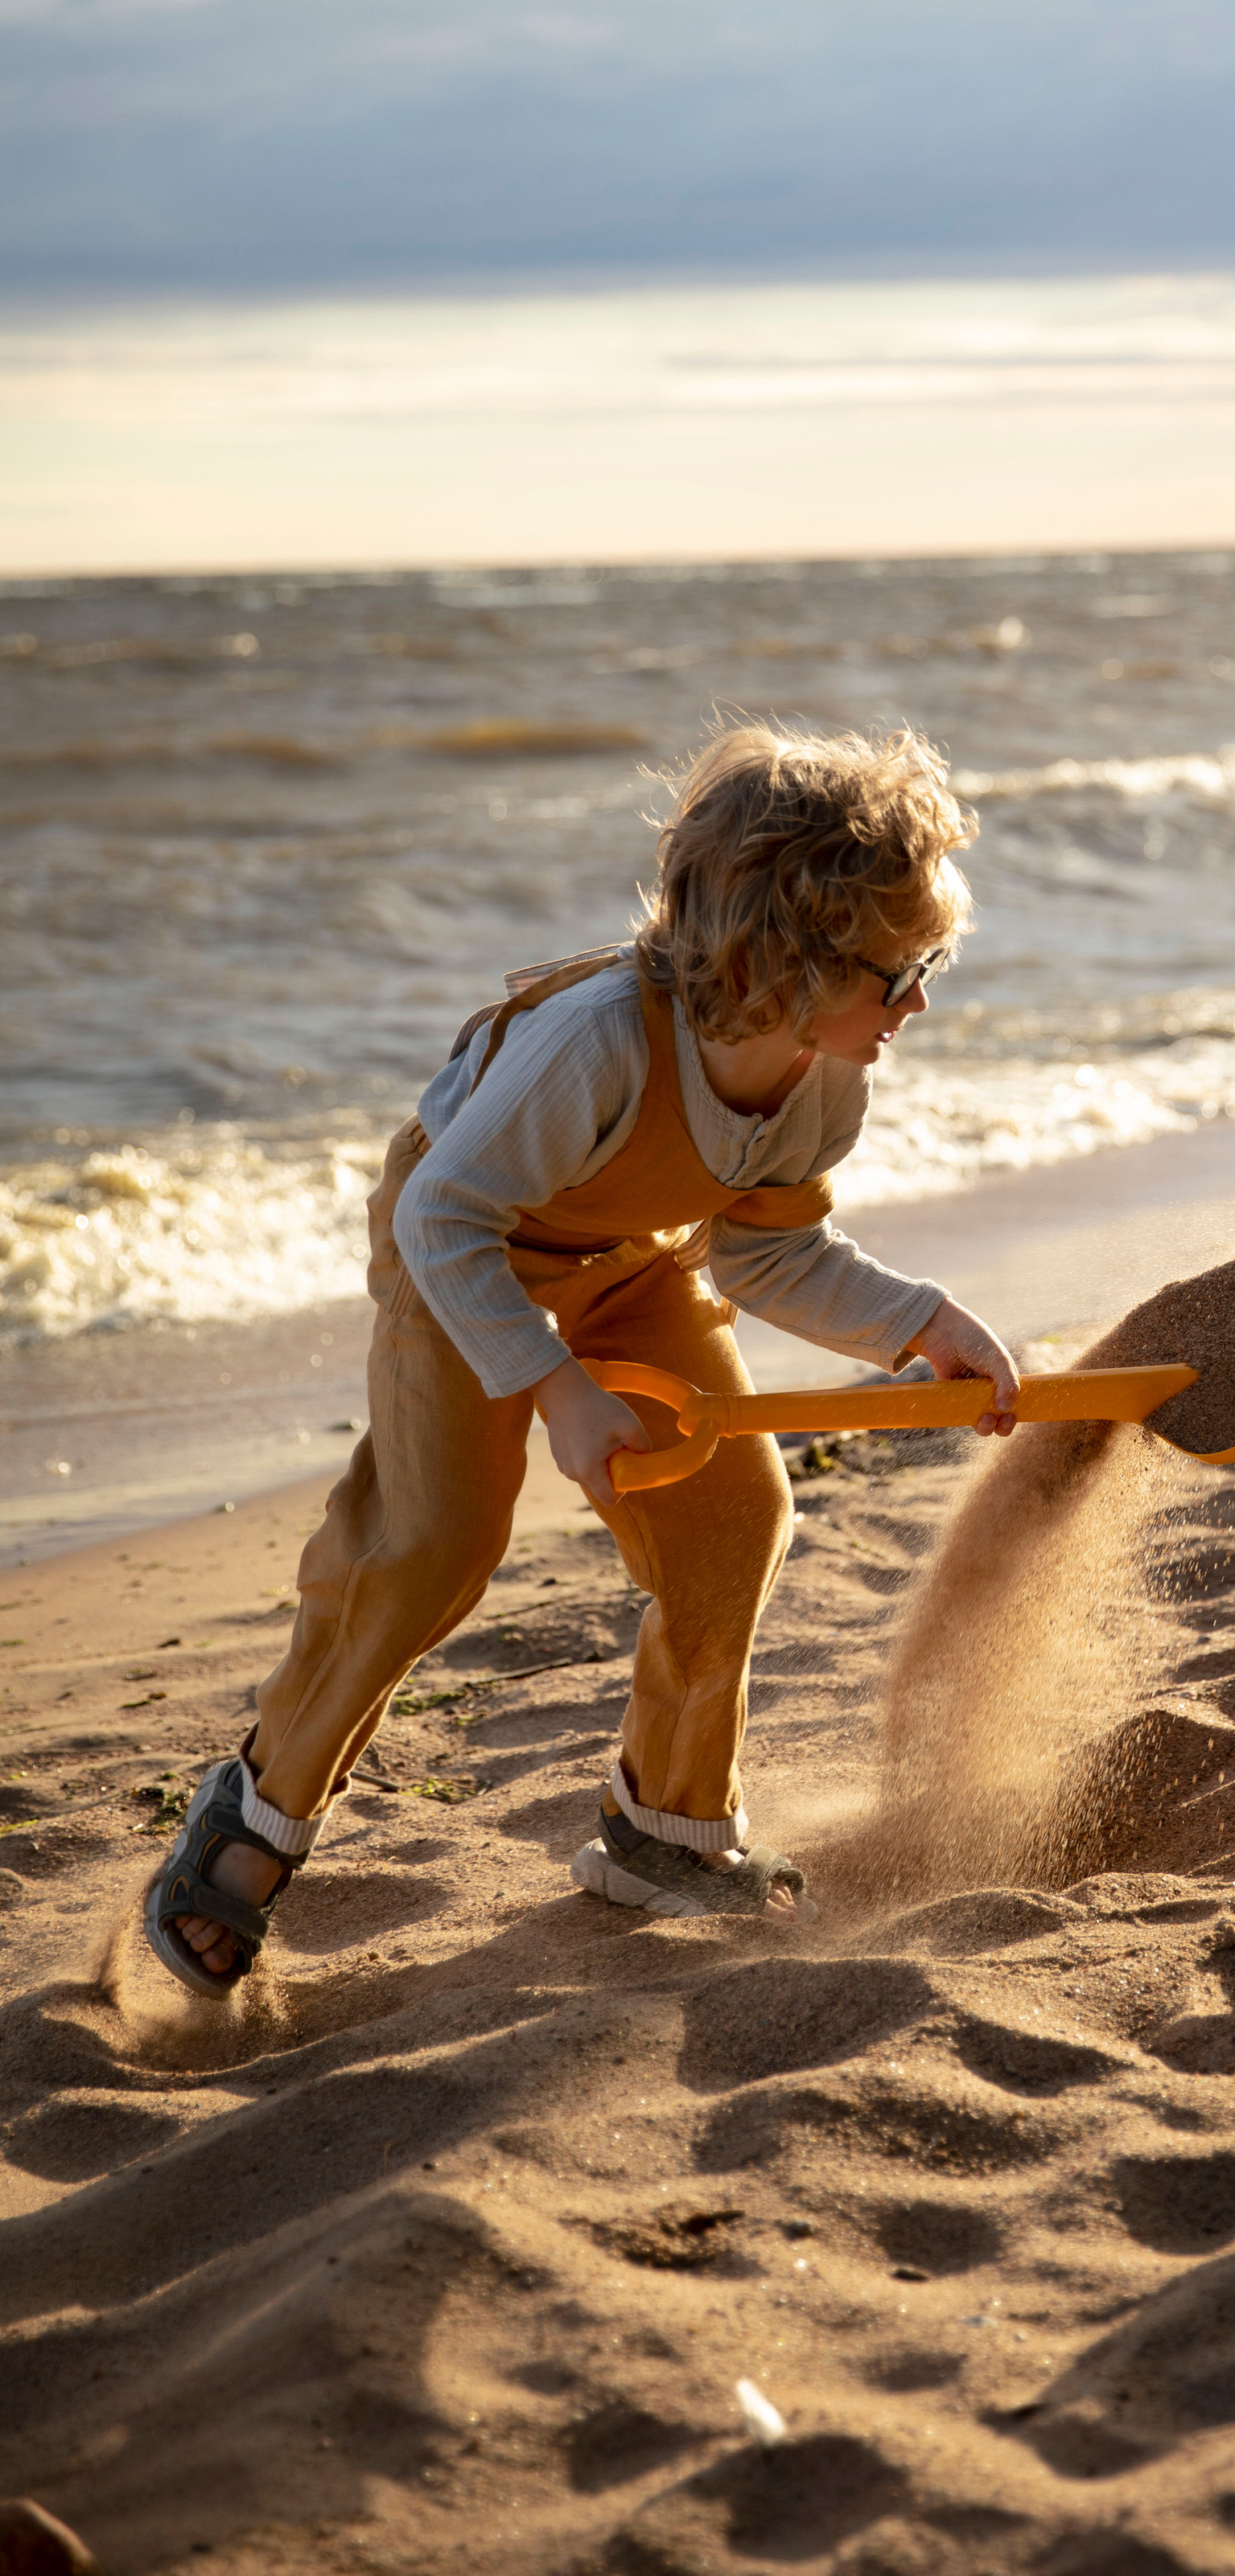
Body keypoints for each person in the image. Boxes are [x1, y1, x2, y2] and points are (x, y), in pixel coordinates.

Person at [146, 722, 1019, 1996]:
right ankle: (257, 1816)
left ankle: (664, 1831)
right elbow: (445, 1217)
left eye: (930, 961)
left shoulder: (826, 1073)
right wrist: (555, 1386)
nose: (921, 1001)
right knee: (432, 1550)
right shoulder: (600, 1041)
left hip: (635, 1259)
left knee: (739, 1512)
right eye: (900, 972)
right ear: (789, 958)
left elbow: (766, 1256)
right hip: (466, 1255)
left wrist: (921, 1322)